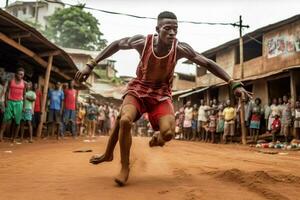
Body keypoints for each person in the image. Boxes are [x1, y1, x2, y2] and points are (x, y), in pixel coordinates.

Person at [74, 11, 250, 186]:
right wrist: (90, 65)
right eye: (168, 29)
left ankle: (156, 139)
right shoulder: (142, 42)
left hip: (161, 95)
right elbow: (117, 44)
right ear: (157, 29)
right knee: (125, 119)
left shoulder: (180, 48)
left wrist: (233, 82)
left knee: (168, 134)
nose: (172, 33)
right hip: (138, 90)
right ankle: (123, 167)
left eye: (175, 29)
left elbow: (207, 63)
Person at [0, 68, 25, 142]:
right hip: (10, 102)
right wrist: (6, 101)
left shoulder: (24, 83)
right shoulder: (11, 81)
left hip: (19, 103)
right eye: (19, 74)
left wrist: (23, 106)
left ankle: (14, 138)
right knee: (5, 119)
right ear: (16, 74)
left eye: (22, 74)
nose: (20, 75)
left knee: (17, 121)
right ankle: (0, 136)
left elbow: (24, 94)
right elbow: (7, 91)